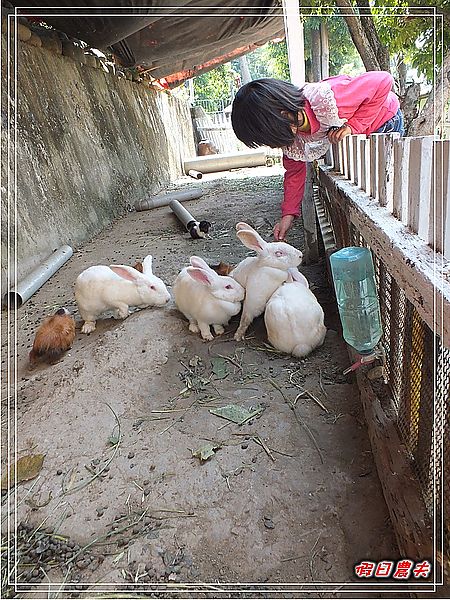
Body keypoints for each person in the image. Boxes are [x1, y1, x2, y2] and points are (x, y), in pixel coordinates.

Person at [231, 72, 405, 241]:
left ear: (283, 116)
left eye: (268, 139)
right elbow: (294, 173)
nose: (272, 145)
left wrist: (353, 126)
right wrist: (288, 214)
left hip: (384, 121)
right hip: (359, 140)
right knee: (369, 186)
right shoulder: (292, 136)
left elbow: (383, 80)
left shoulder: (330, 97)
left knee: (385, 188)